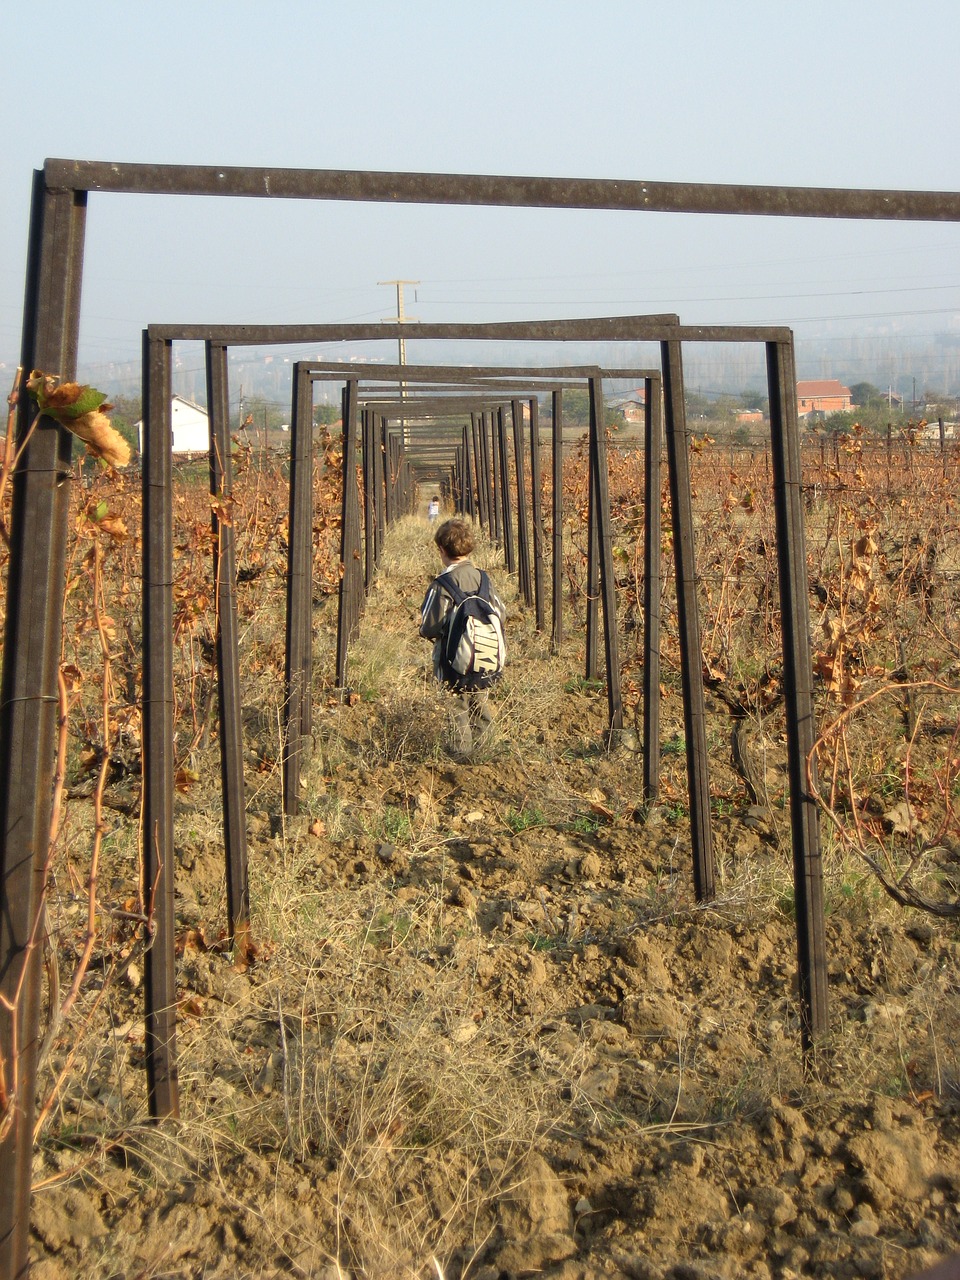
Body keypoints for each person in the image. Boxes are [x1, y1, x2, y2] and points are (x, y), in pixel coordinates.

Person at [420, 518, 506, 761]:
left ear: (441, 550)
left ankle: (461, 759)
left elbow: (430, 627)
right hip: (484, 655)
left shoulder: (442, 584)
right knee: (479, 702)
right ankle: (485, 753)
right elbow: (501, 613)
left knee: (456, 707)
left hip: (451, 660)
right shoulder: (484, 579)